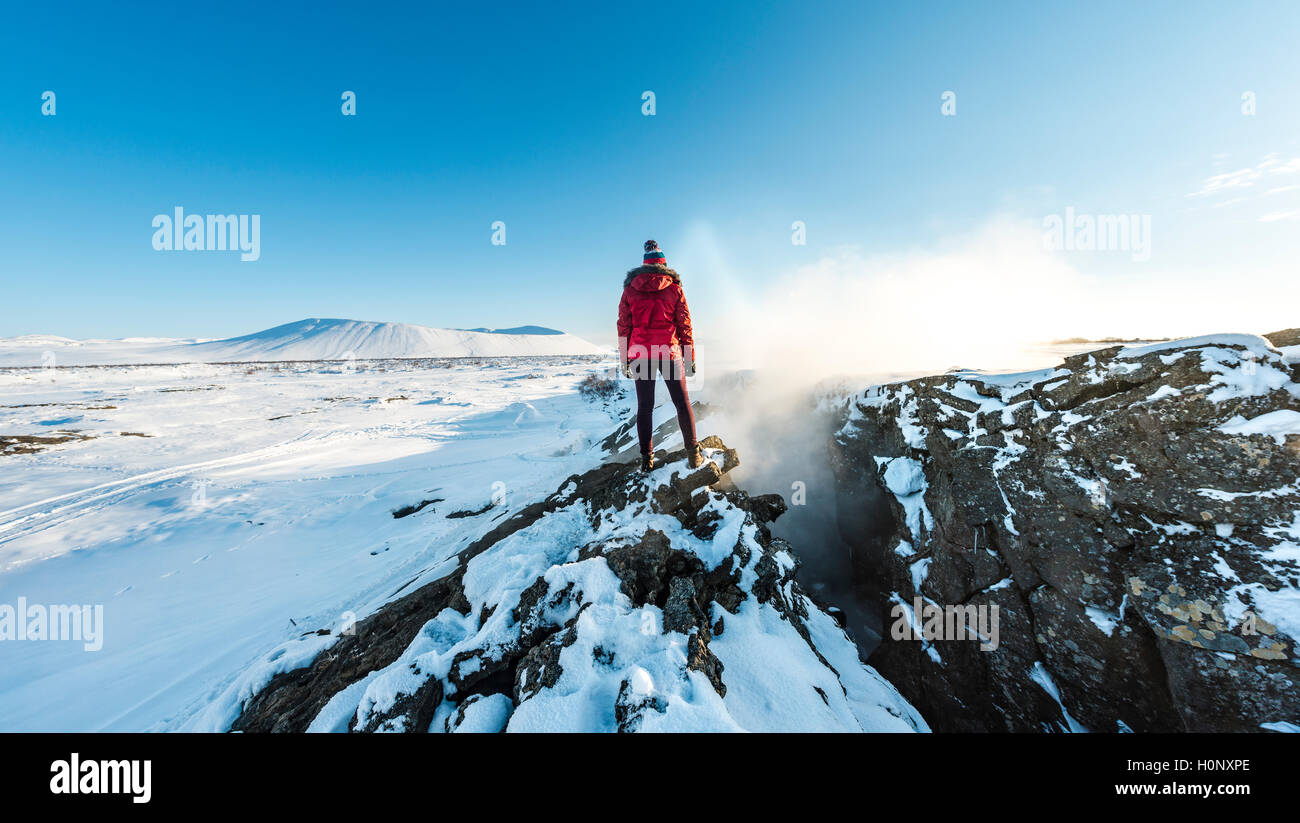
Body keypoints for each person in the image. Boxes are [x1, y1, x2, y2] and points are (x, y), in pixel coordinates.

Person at [617, 240, 702, 472]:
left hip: (640, 353)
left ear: (644, 266)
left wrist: (625, 358)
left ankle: (647, 460)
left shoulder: (630, 290)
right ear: (664, 264)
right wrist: (689, 356)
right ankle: (694, 454)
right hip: (669, 351)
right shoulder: (674, 289)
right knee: (682, 403)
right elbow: (685, 325)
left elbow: (624, 326)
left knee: (645, 406)